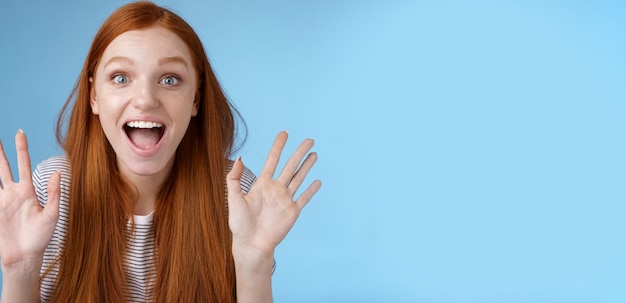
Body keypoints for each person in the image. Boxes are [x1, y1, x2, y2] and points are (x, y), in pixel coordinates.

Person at [0, 1, 321, 302]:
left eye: (170, 79)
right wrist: (18, 268)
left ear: (196, 99)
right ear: (93, 97)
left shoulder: (235, 194)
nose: (145, 99)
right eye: (121, 77)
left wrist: (256, 261)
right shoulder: (53, 189)